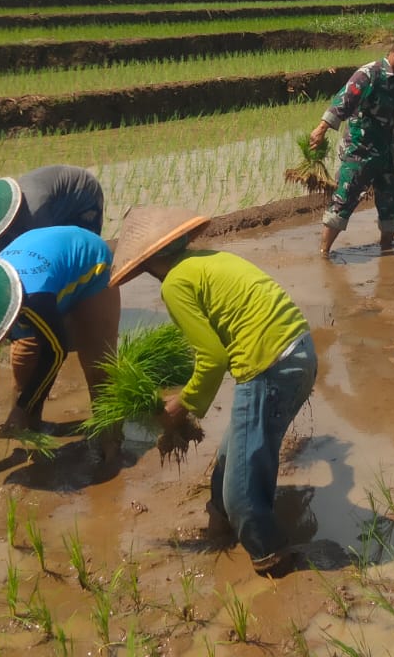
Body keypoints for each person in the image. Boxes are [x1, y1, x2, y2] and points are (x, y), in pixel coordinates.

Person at [109, 206, 317, 577]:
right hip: (300, 351)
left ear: (146, 265)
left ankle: (273, 562)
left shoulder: (174, 283)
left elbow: (212, 357)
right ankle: (218, 526)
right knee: (231, 458)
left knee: (242, 496)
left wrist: (181, 405)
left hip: (268, 365)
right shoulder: (207, 259)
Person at [0, 224, 120, 474]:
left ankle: (112, 441)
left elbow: (55, 352)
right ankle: (34, 429)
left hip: (90, 263)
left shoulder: (33, 300)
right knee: (25, 365)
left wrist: (21, 407)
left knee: (98, 368)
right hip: (43, 268)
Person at [309, 33, 394, 259]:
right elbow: (343, 101)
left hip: (389, 150)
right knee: (345, 197)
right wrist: (321, 128)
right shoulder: (369, 74)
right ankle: (324, 253)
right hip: (360, 149)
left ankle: (386, 249)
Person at [0, 165, 105, 251]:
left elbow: (47, 248)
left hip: (82, 196)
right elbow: (6, 254)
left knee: (81, 249)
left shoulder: (33, 210)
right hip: (50, 203)